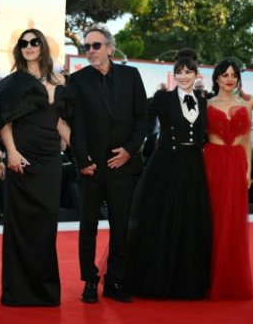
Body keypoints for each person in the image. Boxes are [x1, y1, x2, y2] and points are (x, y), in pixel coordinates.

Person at [70, 23, 147, 303]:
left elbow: (143, 119)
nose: (89, 51)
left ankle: (115, 280)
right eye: (86, 46)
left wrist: (129, 150)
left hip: (122, 165)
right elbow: (75, 125)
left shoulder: (131, 75)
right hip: (90, 167)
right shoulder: (78, 81)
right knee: (88, 225)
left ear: (109, 48)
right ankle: (90, 280)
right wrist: (81, 160)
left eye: (95, 45)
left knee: (120, 225)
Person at [126, 49, 211, 299]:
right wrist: (129, 142)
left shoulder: (204, 101)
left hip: (193, 164)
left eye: (188, 72)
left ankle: (186, 282)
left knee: (189, 222)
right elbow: (142, 118)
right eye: (179, 72)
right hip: (166, 164)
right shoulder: (163, 98)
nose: (183, 76)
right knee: (162, 221)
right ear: (174, 75)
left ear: (197, 74)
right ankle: (156, 280)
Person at [0, 28, 71, 306]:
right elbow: (3, 120)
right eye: (24, 43)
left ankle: (45, 291)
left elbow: (60, 123)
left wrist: (85, 156)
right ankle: (18, 292)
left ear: (43, 46)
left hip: (51, 161)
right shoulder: (12, 82)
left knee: (46, 224)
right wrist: (11, 153)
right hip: (22, 159)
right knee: (20, 225)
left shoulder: (60, 79)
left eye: (34, 42)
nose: (29, 46)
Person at [203, 58, 253, 300]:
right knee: (213, 217)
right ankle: (208, 277)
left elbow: (246, 141)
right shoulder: (206, 104)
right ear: (216, 78)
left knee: (232, 219)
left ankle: (230, 278)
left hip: (236, 163)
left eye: (234, 75)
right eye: (225, 75)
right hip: (211, 161)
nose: (230, 79)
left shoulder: (246, 105)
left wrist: (248, 172)